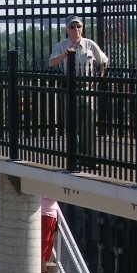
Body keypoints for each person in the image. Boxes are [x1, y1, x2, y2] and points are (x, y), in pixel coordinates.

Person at [48, 15, 109, 167]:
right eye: (72, 27)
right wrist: (65, 55)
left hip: (86, 88)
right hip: (69, 87)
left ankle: (88, 158)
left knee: (88, 124)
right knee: (71, 124)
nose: (76, 30)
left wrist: (98, 80)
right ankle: (74, 158)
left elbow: (104, 61)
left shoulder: (89, 44)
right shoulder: (62, 45)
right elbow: (51, 63)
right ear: (67, 30)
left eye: (79, 26)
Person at [41, 197, 59, 273]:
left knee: (49, 243)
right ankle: (39, 270)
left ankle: (43, 269)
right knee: (44, 242)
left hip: (51, 215)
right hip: (45, 213)